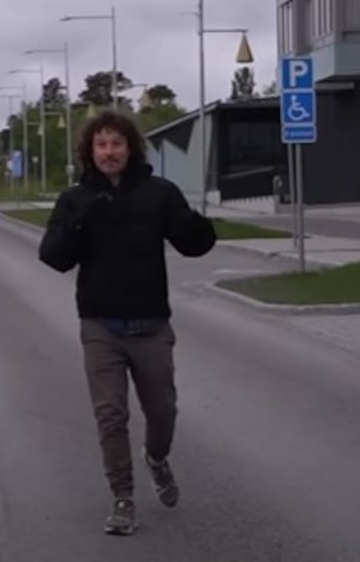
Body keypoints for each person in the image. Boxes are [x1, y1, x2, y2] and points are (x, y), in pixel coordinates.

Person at [38, 110, 217, 536]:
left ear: (130, 148)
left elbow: (194, 245)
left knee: (162, 412)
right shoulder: (75, 199)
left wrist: (195, 223)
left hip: (151, 323)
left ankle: (156, 458)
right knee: (110, 415)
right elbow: (53, 256)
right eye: (101, 144)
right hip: (101, 325)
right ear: (90, 151)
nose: (109, 152)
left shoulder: (159, 193)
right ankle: (123, 498)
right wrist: (81, 220)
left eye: (116, 143)